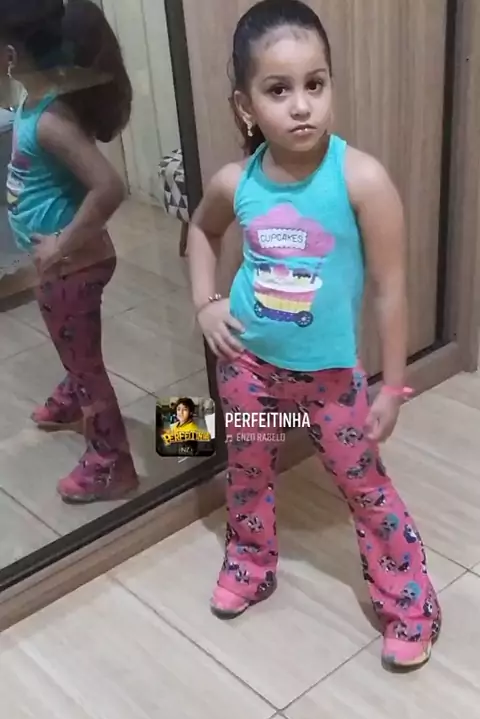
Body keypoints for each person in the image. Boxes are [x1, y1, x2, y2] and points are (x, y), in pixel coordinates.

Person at [188, 0, 441, 670]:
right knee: (247, 469)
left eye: (315, 84)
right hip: (248, 366)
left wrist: (392, 385)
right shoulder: (237, 182)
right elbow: (202, 230)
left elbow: (390, 287)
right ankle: (250, 562)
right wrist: (206, 303)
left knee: (365, 487)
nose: (301, 106)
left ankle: (409, 603)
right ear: (245, 106)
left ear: (330, 85)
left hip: (331, 379)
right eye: (278, 90)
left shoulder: (361, 179)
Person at [0, 0, 138, 503]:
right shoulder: (33, 102)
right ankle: (70, 392)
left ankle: (111, 463)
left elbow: (109, 186)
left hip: (72, 268)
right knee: (72, 346)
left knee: (87, 366)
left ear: (11, 55)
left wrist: (60, 243)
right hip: (65, 266)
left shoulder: (50, 121)